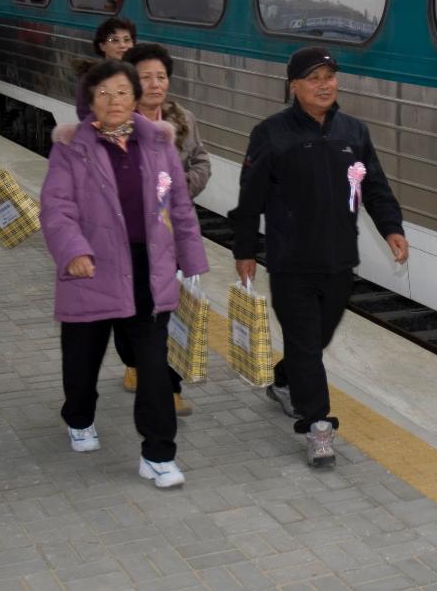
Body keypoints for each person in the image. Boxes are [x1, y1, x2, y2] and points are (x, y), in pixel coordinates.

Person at [231, 46, 409, 468]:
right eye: (313, 77)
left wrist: (392, 228)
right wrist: (244, 250)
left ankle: (283, 380)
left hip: (339, 262)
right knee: (308, 347)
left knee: (314, 342)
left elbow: (375, 187)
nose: (325, 84)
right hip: (291, 261)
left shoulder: (353, 132)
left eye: (330, 76)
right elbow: (249, 196)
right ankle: (317, 426)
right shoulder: (271, 133)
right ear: (293, 86)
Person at [40, 60, 208, 488]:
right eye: (102, 93)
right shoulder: (72, 146)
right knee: (82, 360)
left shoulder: (159, 143)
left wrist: (192, 263)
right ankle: (78, 417)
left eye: (120, 92)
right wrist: (73, 250)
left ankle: (157, 454)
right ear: (89, 101)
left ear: (136, 97)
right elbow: (56, 207)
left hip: (149, 269)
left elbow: (180, 209)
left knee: (154, 365)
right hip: (91, 267)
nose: (112, 101)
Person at [115, 41, 211, 411]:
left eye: (161, 77)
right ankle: (133, 359)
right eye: (145, 78)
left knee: (161, 317)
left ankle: (168, 389)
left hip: (169, 238)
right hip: (127, 240)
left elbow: (201, 160)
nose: (155, 85)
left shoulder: (182, 118)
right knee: (128, 317)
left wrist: (177, 187)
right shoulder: (115, 124)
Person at [73, 17, 137, 119]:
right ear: (102, 46)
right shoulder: (89, 78)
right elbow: (84, 113)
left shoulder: (137, 74)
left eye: (127, 40)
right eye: (115, 40)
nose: (122, 45)